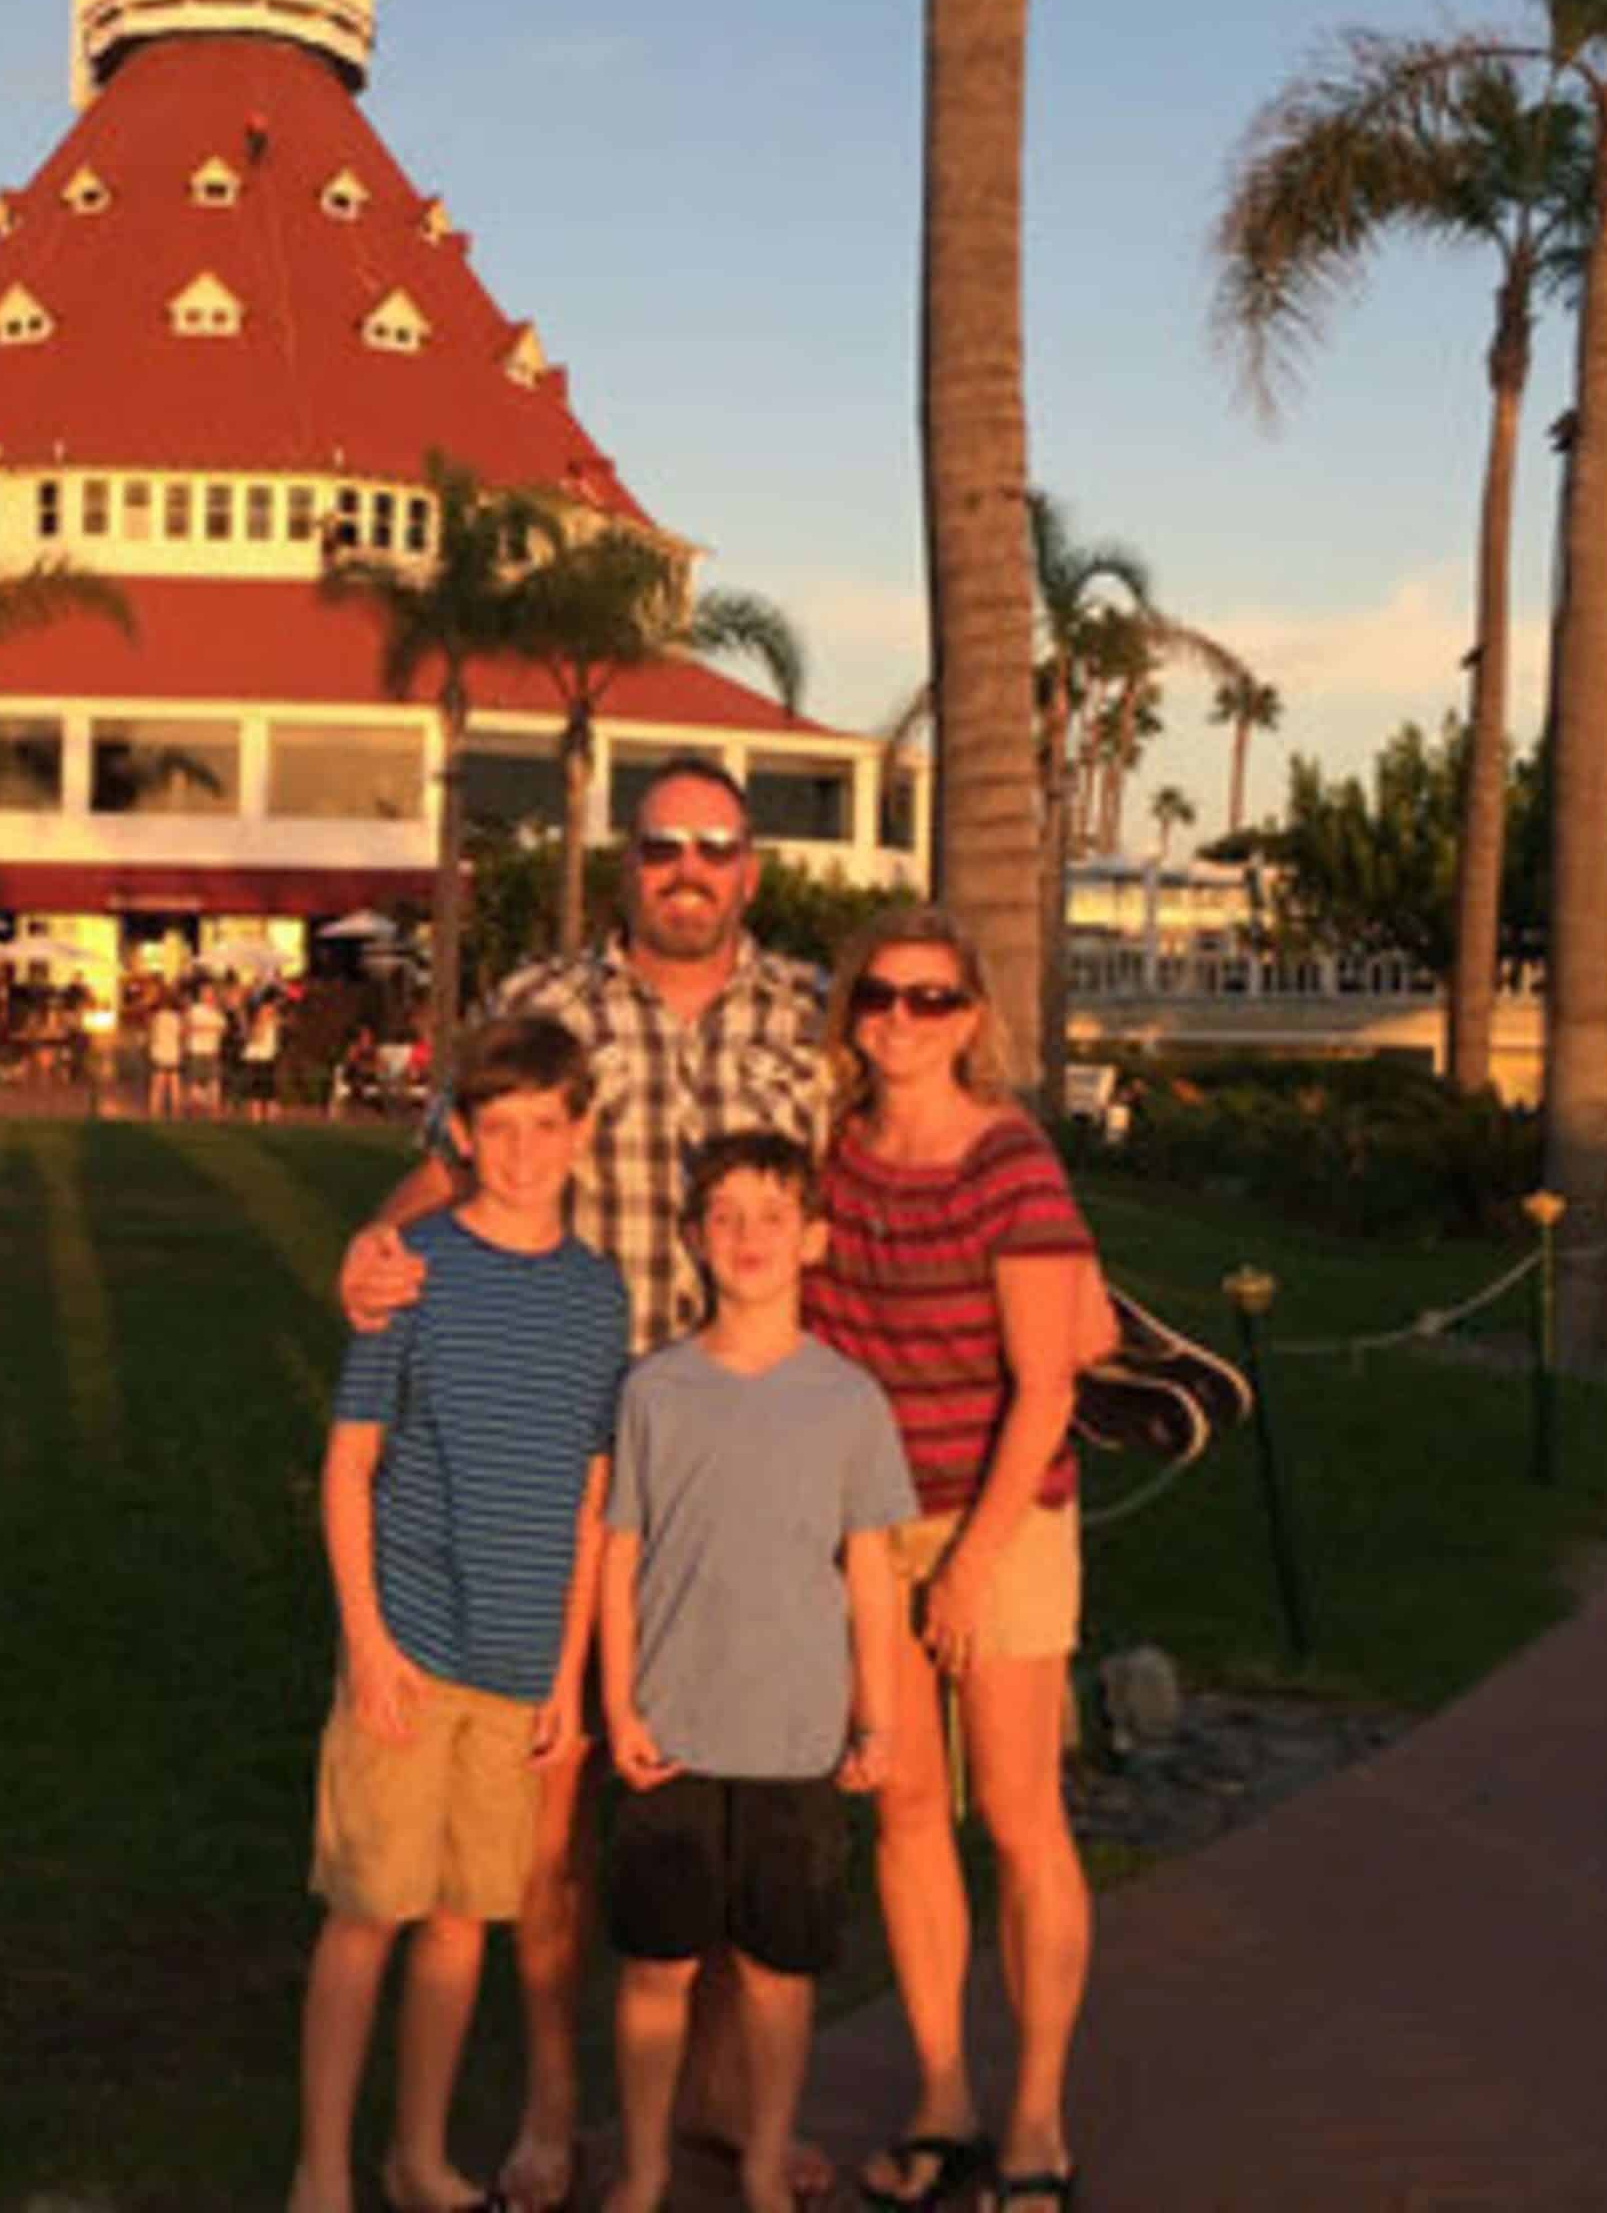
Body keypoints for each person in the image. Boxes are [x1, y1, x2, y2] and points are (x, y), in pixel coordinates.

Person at [337, 754, 826, 2209]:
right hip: (569, 1451)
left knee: (732, 1796)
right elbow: (450, 1161)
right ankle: (554, 2112)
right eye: (664, 841)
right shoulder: (545, 1008)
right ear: (629, 859)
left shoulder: (806, 1017)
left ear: (750, 867)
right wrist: (375, 1243)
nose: (690, 866)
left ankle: (731, 2103)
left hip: (740, 1465)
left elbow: (865, 1191)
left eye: (718, 845)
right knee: (552, 1812)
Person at [291, 1016, 630, 2213]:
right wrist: (368, 1644)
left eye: (548, 1126)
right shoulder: (415, 1268)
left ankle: (417, 2155)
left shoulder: (600, 1299)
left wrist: (569, 1676)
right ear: (464, 1136)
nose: (525, 1150)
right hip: (411, 1648)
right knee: (365, 1914)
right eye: (500, 1129)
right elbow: (348, 1468)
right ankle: (322, 2170)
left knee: (456, 1924)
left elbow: (593, 1495)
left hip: (520, 1663)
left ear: (581, 1135)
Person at [799, 907, 1108, 2213]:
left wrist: (972, 1568)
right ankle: (942, 2090)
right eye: (881, 995)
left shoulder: (1010, 1162)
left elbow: (1048, 1383)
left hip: (1005, 1520)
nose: (902, 1021)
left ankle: (1035, 2114)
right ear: (851, 1011)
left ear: (972, 1019)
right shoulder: (833, 1159)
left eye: (932, 1000)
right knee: (909, 1814)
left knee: (1022, 1821)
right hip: (872, 1530)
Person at [598, 1131, 914, 2213]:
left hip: (795, 1738)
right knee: (657, 1968)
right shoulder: (655, 1390)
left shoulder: (848, 1402)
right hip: (672, 1729)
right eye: (723, 1215)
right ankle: (643, 2165)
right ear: (692, 1236)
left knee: (781, 1973)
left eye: (771, 1216)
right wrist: (615, 1700)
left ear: (813, 1240)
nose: (746, 1238)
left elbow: (872, 1576)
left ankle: (767, 2160)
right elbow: (618, 1553)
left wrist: (878, 1722)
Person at [184, 977, 228, 1118]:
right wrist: (209, 1028)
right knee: (196, 1081)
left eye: (210, 992)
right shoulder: (195, 1009)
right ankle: (196, 1109)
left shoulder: (217, 1011)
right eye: (205, 992)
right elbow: (189, 1027)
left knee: (214, 1080)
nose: (208, 995)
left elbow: (223, 1029)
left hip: (212, 1050)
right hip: (197, 1050)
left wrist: (208, 1027)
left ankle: (214, 1109)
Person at [243, 987, 285, 1124]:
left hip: (268, 1056)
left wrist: (273, 1021)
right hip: (257, 1057)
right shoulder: (260, 1018)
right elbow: (256, 1037)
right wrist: (263, 1022)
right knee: (257, 1089)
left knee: (269, 1088)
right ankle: (257, 1117)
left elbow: (279, 1026)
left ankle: (269, 1117)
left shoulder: (273, 1018)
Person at [147, 983, 185, 1120]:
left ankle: (154, 1114)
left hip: (159, 1051)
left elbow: (151, 1034)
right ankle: (176, 1115)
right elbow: (182, 1035)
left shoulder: (156, 1017)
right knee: (174, 1084)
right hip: (173, 1052)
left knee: (157, 1085)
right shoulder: (177, 1018)